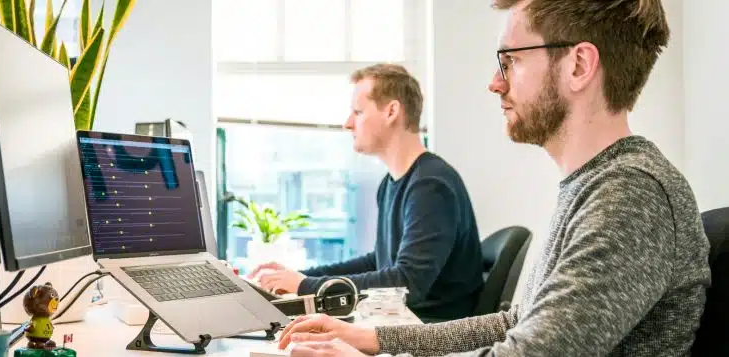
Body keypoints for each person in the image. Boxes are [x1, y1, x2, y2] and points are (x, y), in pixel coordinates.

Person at [275, 0, 712, 356]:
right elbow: (518, 322)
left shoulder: (630, 195)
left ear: (578, 65)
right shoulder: (596, 184)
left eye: (510, 62)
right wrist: (373, 339)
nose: (494, 83)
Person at [248, 63, 486, 322]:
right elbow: (379, 262)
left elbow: (406, 285)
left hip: (428, 334)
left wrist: (306, 287)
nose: (348, 124)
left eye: (358, 112)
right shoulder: (393, 183)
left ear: (391, 111)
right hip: (401, 324)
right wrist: (301, 277)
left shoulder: (431, 186)